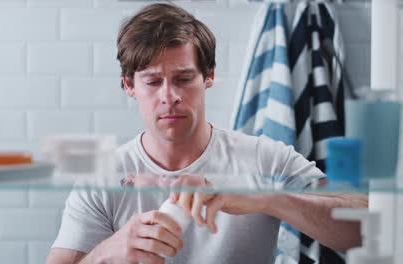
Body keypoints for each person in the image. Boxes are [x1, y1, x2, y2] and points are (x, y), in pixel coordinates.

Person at [46, 3, 367, 264]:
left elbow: (368, 228)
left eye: (184, 78)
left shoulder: (264, 157)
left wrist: (266, 198)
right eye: (153, 81)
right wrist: (107, 253)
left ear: (208, 76)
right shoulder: (102, 177)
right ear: (129, 86)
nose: (169, 95)